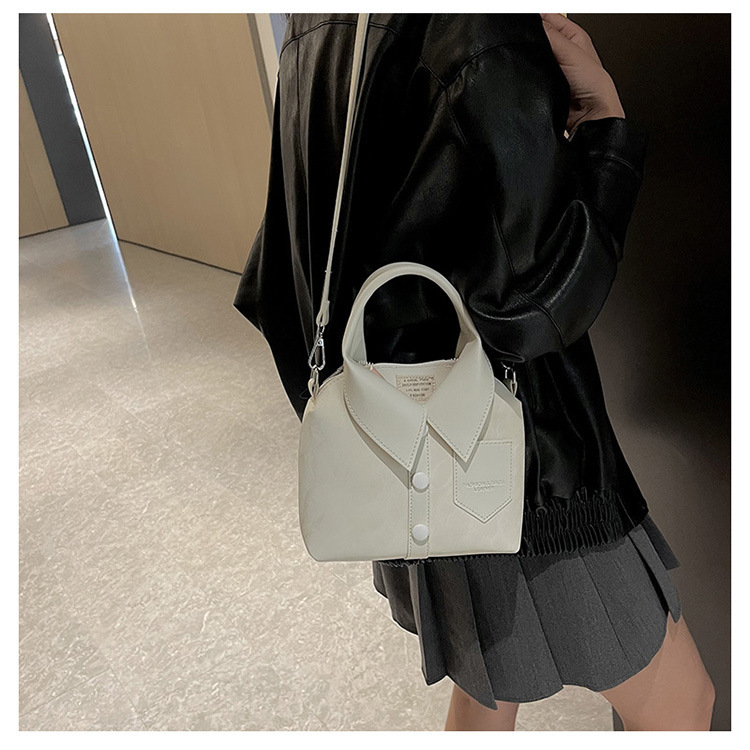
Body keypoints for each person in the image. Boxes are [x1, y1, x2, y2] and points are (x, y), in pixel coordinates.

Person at [233, 13, 715, 730]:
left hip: (406, 469)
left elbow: (275, 281)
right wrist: (608, 130)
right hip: (525, 479)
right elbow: (544, 301)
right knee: (683, 706)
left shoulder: (317, 27)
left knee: (486, 692)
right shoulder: (477, 25)